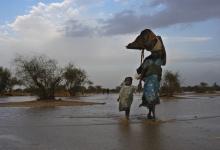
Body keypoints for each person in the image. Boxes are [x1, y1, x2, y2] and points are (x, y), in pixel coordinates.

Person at [136, 50, 164, 120]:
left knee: (153, 98)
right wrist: (139, 82)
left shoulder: (159, 61)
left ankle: (149, 113)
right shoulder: (148, 61)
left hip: (156, 82)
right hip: (149, 81)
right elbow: (143, 71)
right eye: (153, 52)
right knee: (151, 98)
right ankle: (153, 115)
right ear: (151, 53)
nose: (155, 54)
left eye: (156, 52)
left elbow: (160, 70)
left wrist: (159, 78)